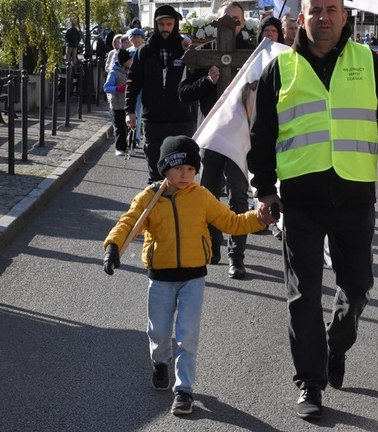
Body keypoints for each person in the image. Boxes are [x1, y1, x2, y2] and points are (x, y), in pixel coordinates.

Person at [247, 0, 378, 420]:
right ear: (300, 18)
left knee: (357, 288)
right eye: (315, 10)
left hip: (356, 196)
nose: (324, 17)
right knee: (302, 295)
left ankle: (336, 344)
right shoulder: (280, 70)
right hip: (299, 199)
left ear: (344, 16)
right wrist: (263, 190)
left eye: (331, 9)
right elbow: (262, 135)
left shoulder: (369, 64)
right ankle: (309, 383)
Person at [102, 135, 265, 416]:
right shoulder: (149, 198)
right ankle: (160, 362)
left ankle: (184, 389)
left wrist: (259, 218)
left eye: (191, 169)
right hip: (161, 277)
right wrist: (113, 247)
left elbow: (231, 221)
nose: (185, 175)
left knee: (186, 335)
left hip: (193, 277)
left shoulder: (201, 196)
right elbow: (128, 222)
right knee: (159, 332)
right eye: (178, 169)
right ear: (165, 169)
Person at [179, 1, 255, 279]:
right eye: (225, 19)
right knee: (209, 196)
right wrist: (207, 82)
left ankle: (238, 256)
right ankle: (213, 246)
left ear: (243, 24)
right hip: (212, 138)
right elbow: (184, 93)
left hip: (239, 138)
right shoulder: (202, 54)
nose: (230, 24)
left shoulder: (252, 54)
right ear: (215, 21)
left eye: (235, 20)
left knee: (238, 199)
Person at [124, 6, 195, 184]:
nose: (165, 28)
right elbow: (133, 82)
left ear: (175, 24)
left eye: (169, 24)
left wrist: (191, 50)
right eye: (161, 24)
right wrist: (129, 110)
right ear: (156, 25)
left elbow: (196, 76)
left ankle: (177, 209)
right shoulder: (145, 51)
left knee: (180, 173)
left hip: (181, 119)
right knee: (156, 171)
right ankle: (155, 209)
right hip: (153, 119)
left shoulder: (184, 49)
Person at [104, 48, 133, 156]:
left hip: (128, 103)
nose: (131, 61)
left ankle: (129, 146)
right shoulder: (114, 72)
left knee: (129, 127)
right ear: (124, 61)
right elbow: (106, 87)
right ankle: (120, 148)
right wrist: (118, 89)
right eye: (129, 60)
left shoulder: (129, 70)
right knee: (120, 127)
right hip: (117, 104)